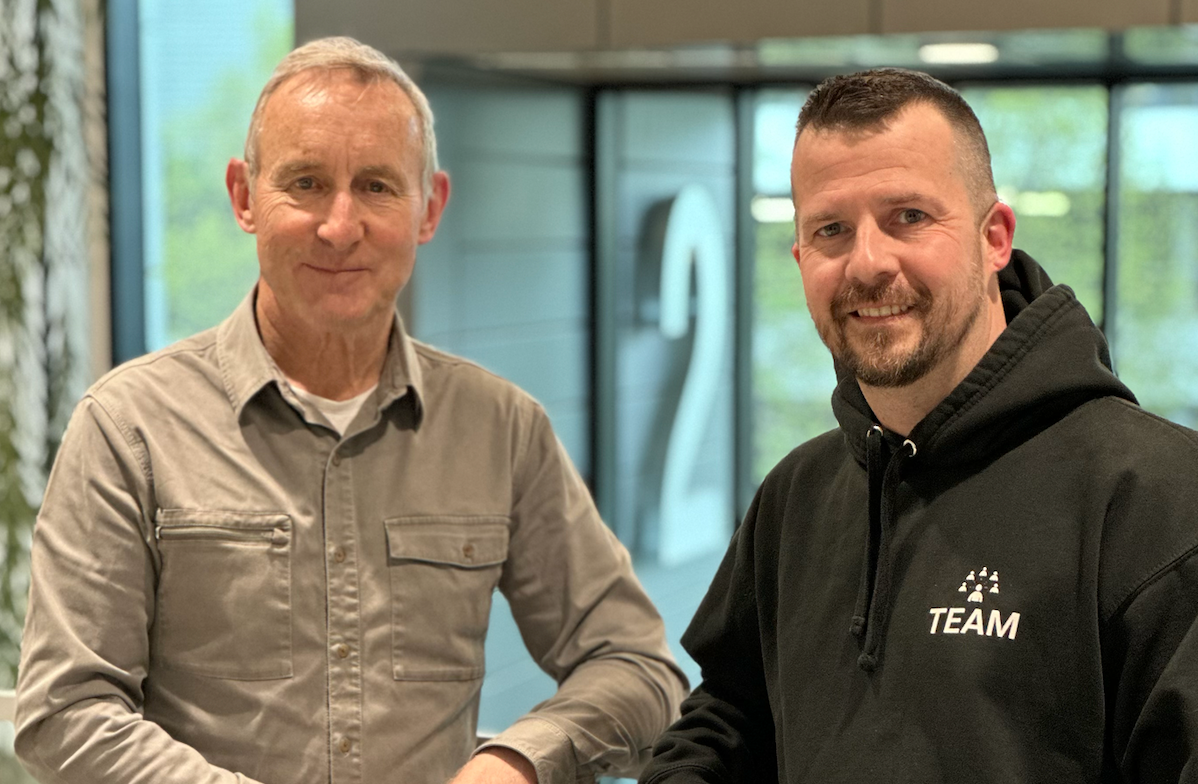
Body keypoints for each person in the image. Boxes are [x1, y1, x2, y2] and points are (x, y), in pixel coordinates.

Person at [15, 36, 687, 784]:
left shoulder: (501, 429)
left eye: (376, 186)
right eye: (304, 183)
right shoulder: (128, 426)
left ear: (429, 208)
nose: (339, 226)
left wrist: (515, 760)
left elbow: (637, 667)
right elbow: (66, 712)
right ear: (244, 197)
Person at [639, 68, 1198, 783]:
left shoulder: (1158, 502)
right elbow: (730, 719)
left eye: (908, 216)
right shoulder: (796, 497)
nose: (868, 263)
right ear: (801, 256)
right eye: (832, 230)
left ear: (994, 237)